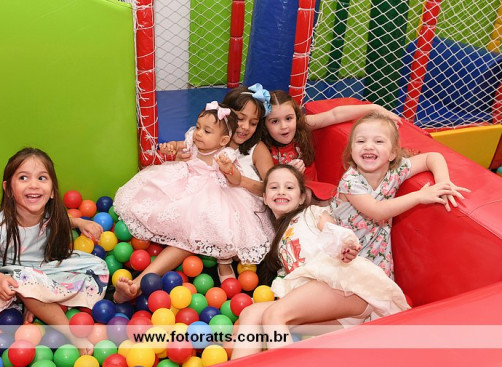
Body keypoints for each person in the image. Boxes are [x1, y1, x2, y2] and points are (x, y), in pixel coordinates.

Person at [230, 165, 410, 359]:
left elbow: (333, 231)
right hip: (333, 313)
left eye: (289, 187)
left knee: (274, 315)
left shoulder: (310, 214)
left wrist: (344, 245)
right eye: (274, 187)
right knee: (251, 314)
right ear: (265, 198)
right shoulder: (280, 240)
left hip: (346, 289)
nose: (281, 191)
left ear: (302, 197)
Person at [113, 102, 274, 303]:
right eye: (198, 127)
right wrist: (171, 147)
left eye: (206, 131)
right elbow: (179, 145)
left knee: (215, 223)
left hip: (211, 195)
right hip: (185, 186)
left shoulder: (226, 155)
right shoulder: (193, 141)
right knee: (161, 207)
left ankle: (223, 259)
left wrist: (228, 169)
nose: (198, 133)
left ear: (223, 140)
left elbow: (236, 180)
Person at [0, 148, 109, 355]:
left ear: (52, 190)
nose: (34, 184)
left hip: (46, 267)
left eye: (42, 178)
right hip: (13, 277)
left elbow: (63, 220)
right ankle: (69, 332)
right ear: (8, 189)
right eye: (23, 177)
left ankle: (38, 302)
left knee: (98, 267)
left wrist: (81, 222)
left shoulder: (49, 213)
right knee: (26, 281)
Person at [331, 113, 470, 278]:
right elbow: (377, 210)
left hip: (375, 250)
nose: (368, 146)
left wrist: (443, 181)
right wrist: (419, 196)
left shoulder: (396, 171)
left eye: (378, 141)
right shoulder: (350, 181)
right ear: (351, 150)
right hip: (344, 251)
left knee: (383, 288)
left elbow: (433, 157)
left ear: (392, 153)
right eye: (361, 141)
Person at [262, 90, 402, 201]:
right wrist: (288, 173)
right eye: (275, 121)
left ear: (296, 117)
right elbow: (267, 185)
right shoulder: (263, 148)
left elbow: (334, 115)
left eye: (288, 118)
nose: (284, 126)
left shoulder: (301, 127)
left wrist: (374, 108)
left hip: (316, 190)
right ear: (264, 124)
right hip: (289, 196)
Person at [175, 83, 274, 196]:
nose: (246, 127)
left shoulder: (257, 149)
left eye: (253, 123)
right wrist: (181, 161)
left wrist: (236, 178)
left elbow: (274, 186)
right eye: (240, 118)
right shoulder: (205, 140)